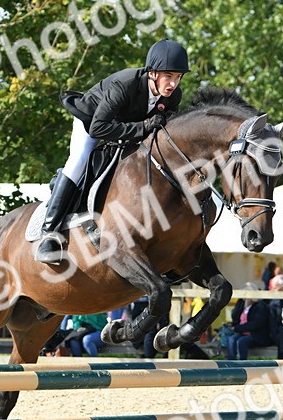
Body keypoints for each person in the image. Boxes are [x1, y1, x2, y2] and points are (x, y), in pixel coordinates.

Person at [36, 39, 189, 264]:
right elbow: (100, 127)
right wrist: (143, 127)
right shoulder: (124, 84)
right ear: (153, 73)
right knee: (79, 161)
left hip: (125, 128)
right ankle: (49, 233)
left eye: (178, 77)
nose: (173, 84)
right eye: (169, 76)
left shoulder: (173, 97)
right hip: (92, 122)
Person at [224, 294, 274, 360]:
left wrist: (237, 328)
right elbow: (235, 317)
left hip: (256, 335)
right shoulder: (242, 305)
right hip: (242, 333)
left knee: (241, 341)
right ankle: (231, 363)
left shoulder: (260, 307)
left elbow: (256, 324)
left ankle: (242, 363)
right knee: (231, 339)